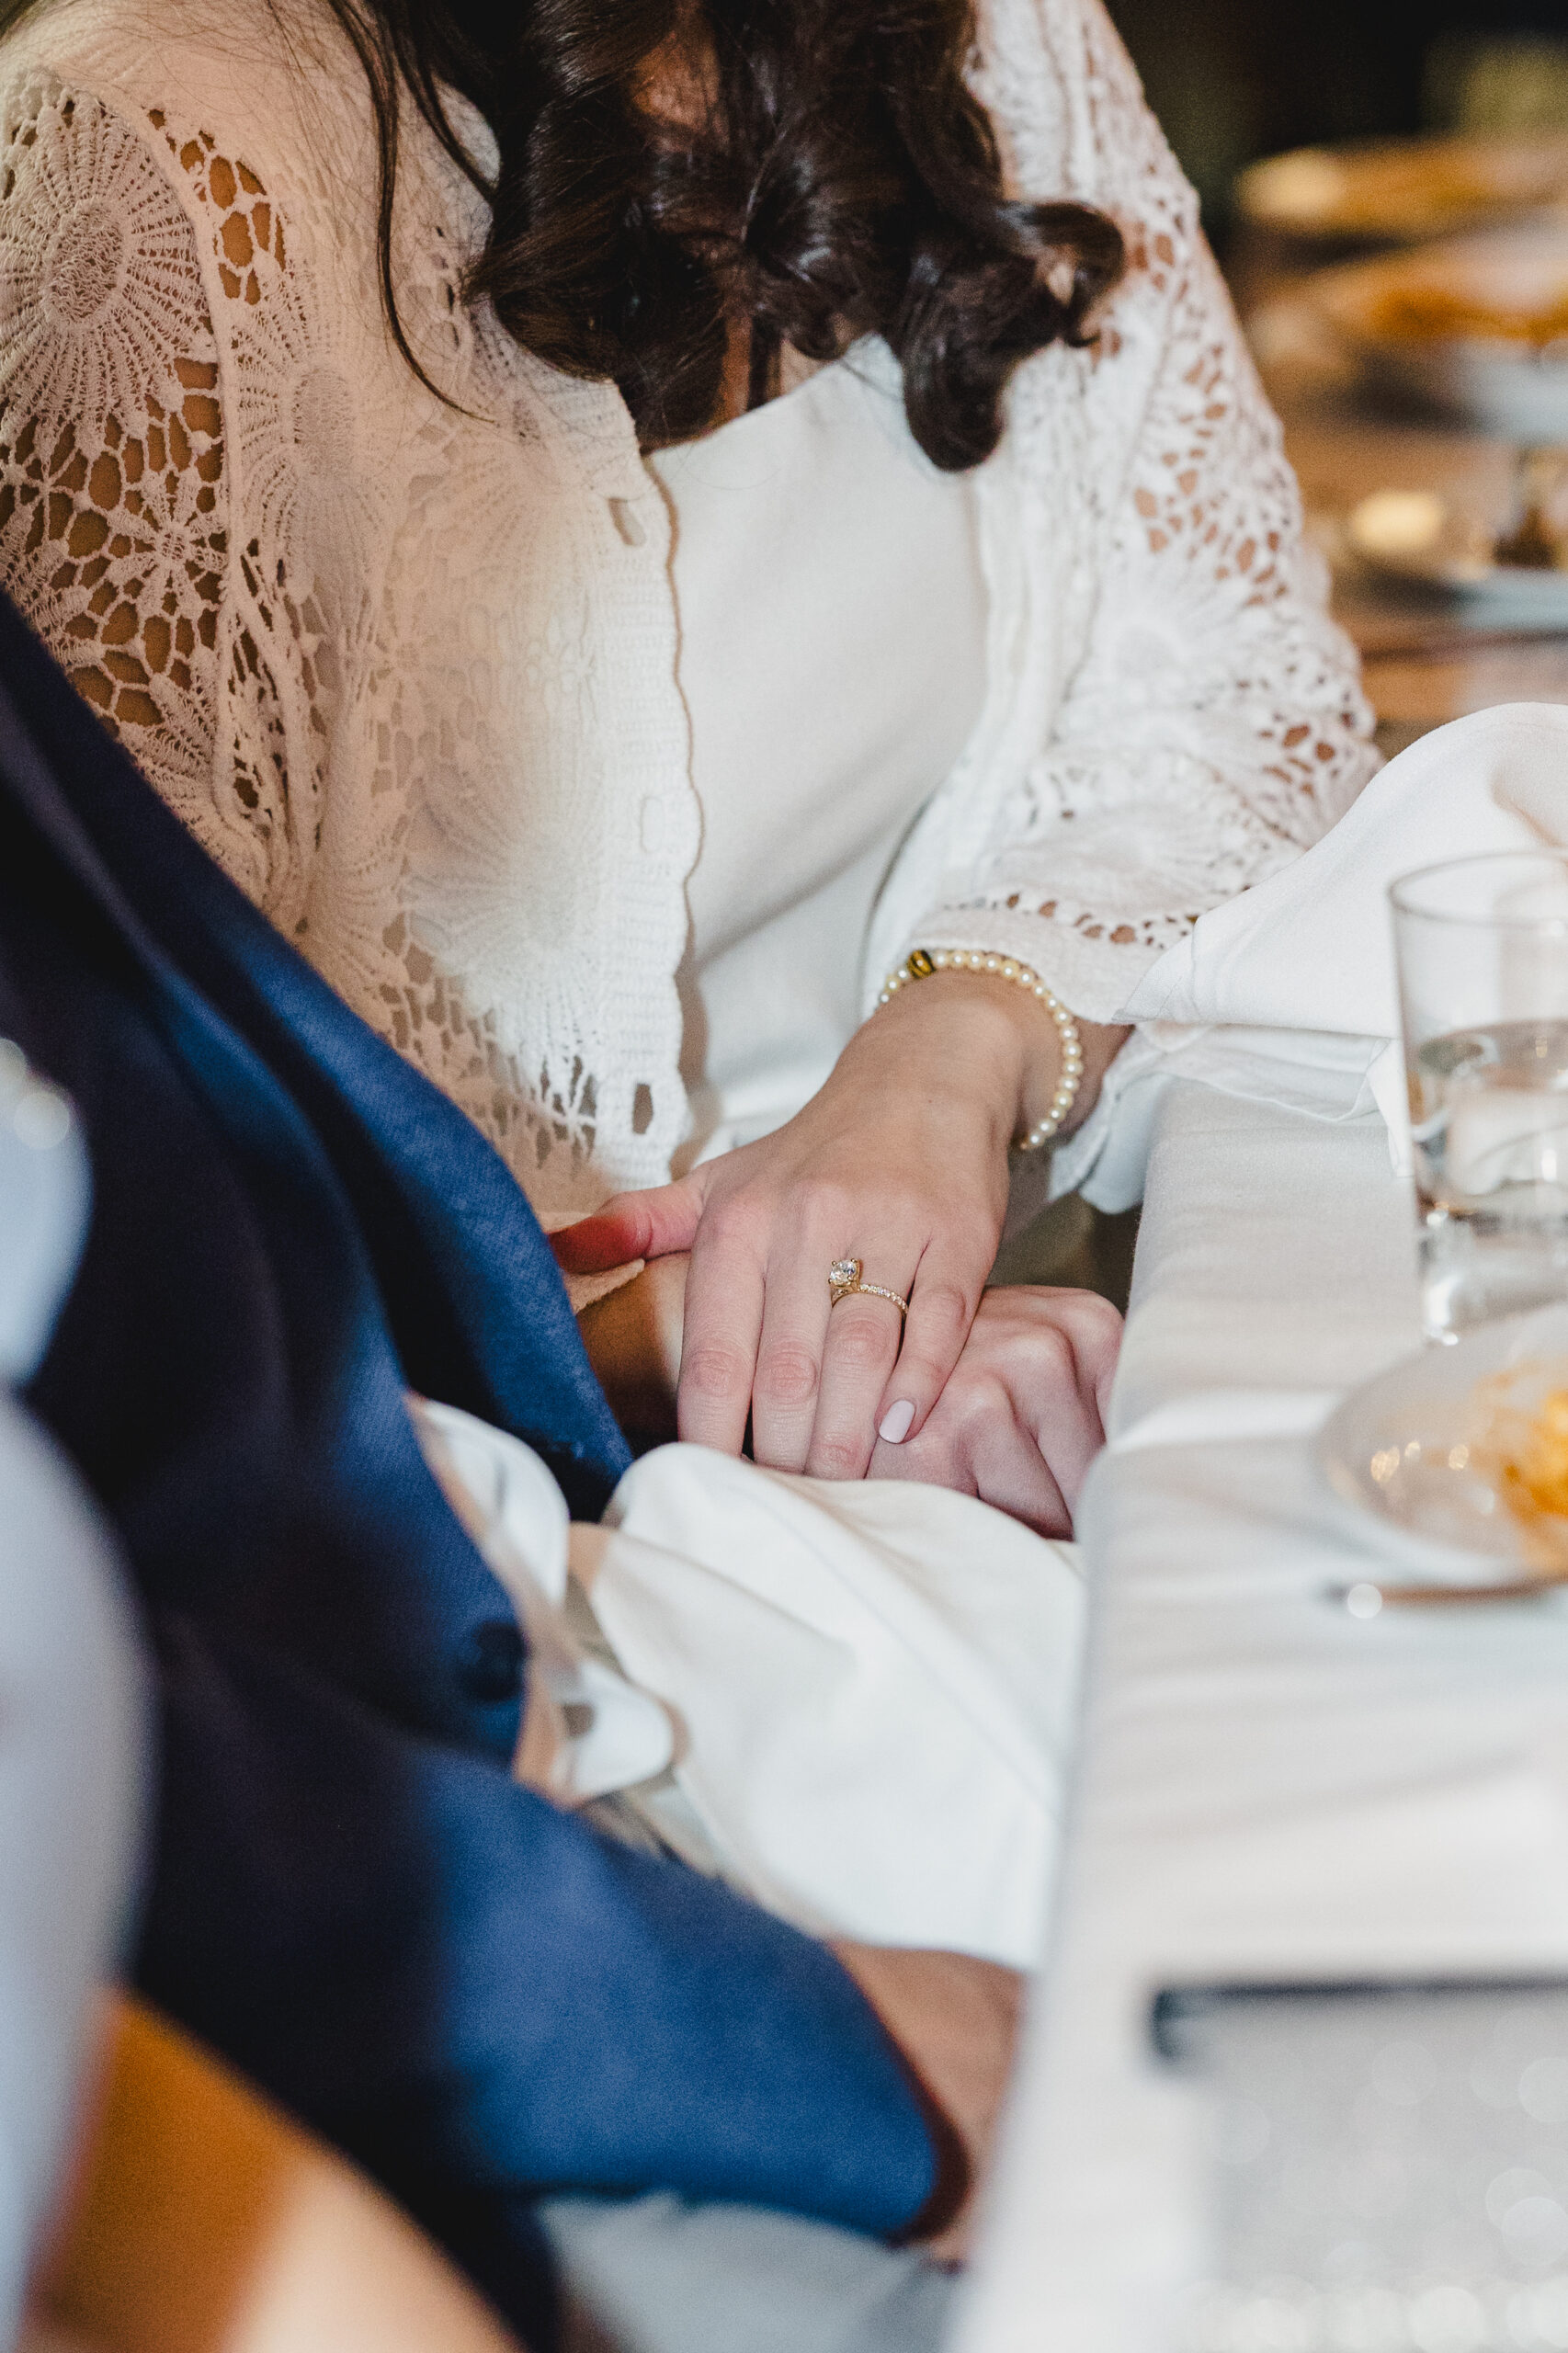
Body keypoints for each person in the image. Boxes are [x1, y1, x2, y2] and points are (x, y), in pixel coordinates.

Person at [0, 0, 1376, 1523]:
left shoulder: (996, 31)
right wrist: (724, 1345)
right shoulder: (147, 144)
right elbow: (122, 1234)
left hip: (1029, 1336)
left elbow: (1244, 697)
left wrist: (950, 1050)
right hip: (488, 1530)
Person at [0, 583, 1019, 2353]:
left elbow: (180, 1246)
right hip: (352, 1974)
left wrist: (691, 1347)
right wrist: (801, 2052)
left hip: (473, 1641)